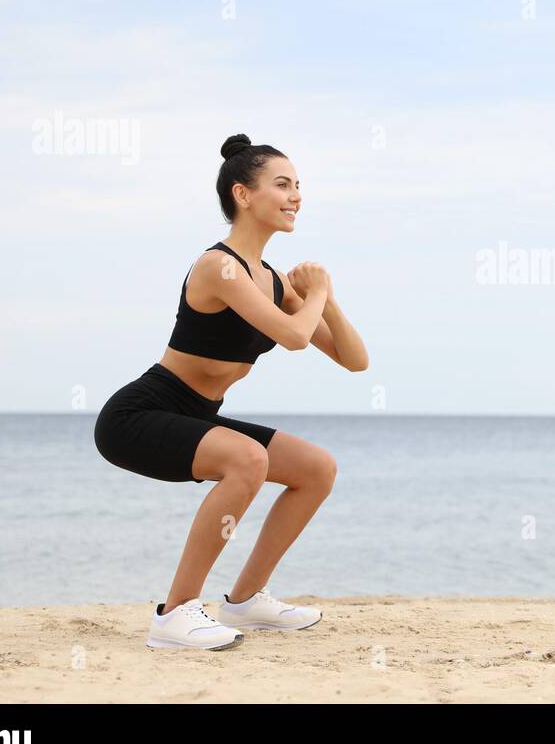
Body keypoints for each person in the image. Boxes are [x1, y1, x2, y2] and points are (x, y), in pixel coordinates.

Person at [93, 133, 368, 650]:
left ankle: (245, 601)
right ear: (243, 195)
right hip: (139, 415)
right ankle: (174, 614)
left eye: (298, 186)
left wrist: (323, 300)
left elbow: (355, 361)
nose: (296, 197)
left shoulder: (274, 281)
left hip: (196, 416)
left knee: (316, 469)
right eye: (282, 185)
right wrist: (319, 292)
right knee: (247, 460)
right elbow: (293, 337)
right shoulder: (218, 267)